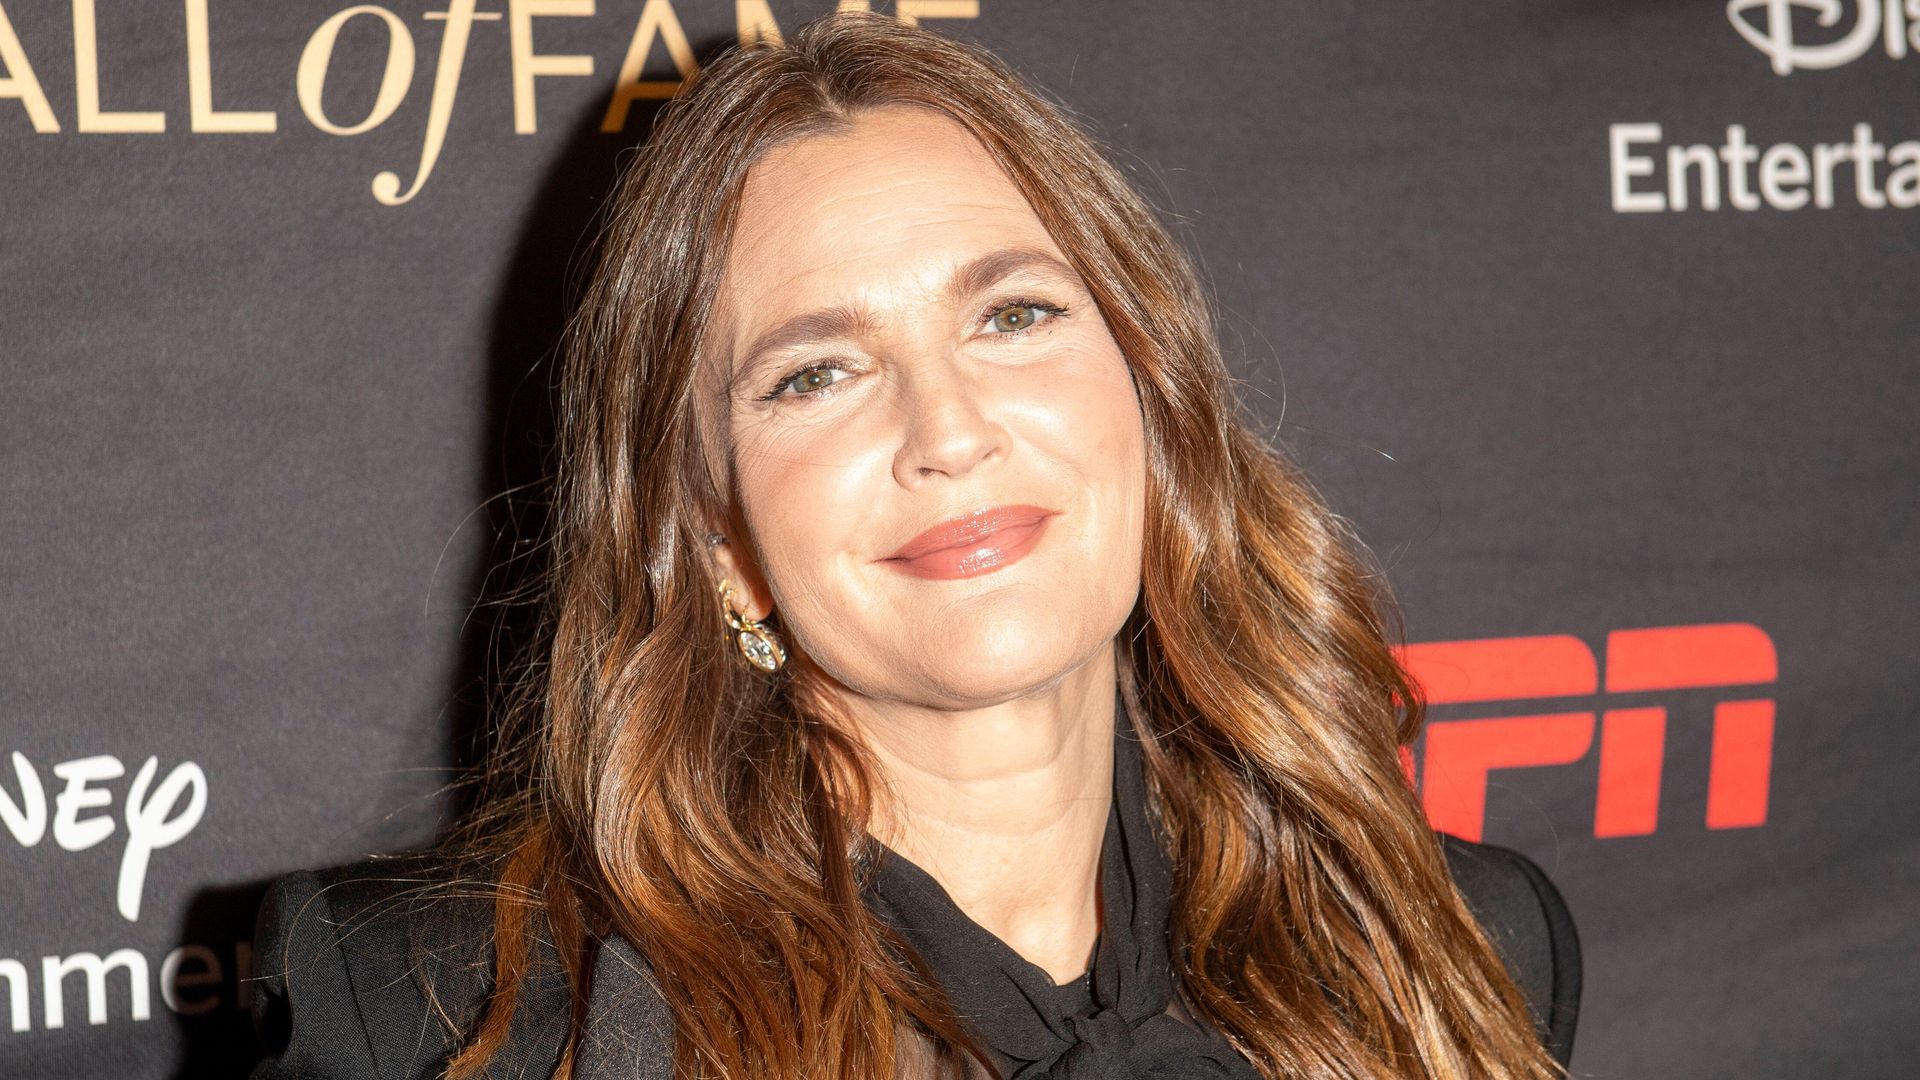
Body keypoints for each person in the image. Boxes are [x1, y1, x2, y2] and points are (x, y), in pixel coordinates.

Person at [248, 12, 1580, 1080]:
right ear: (713, 536)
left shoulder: (1455, 953)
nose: (948, 431)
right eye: (815, 373)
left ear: (1152, 397)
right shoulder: (442, 1016)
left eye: (1013, 316)